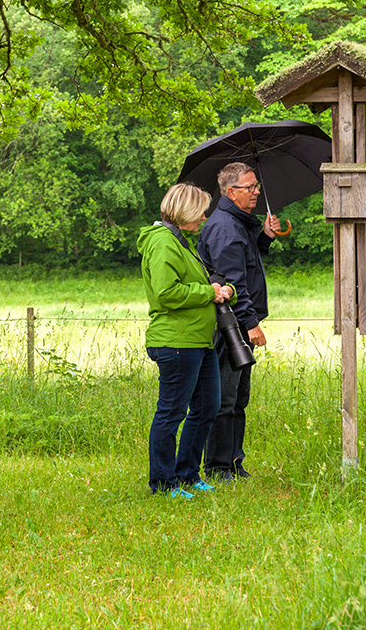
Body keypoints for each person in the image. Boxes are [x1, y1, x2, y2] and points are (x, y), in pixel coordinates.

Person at [137, 183, 235, 499]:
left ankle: (187, 474)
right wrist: (209, 293)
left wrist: (220, 287)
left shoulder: (180, 242)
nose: (205, 217)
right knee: (171, 412)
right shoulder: (163, 244)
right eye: (201, 211)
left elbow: (193, 282)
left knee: (208, 406)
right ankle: (163, 484)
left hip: (198, 339)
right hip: (177, 341)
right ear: (185, 211)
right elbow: (166, 293)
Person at [198, 162, 280, 481]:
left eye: (256, 186)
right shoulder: (224, 228)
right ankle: (218, 467)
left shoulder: (239, 224)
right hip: (228, 326)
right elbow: (233, 283)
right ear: (231, 192)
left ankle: (233, 461)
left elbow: (244, 262)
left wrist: (265, 238)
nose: (257, 191)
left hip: (237, 323)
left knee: (238, 398)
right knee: (224, 398)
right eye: (250, 187)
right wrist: (250, 322)